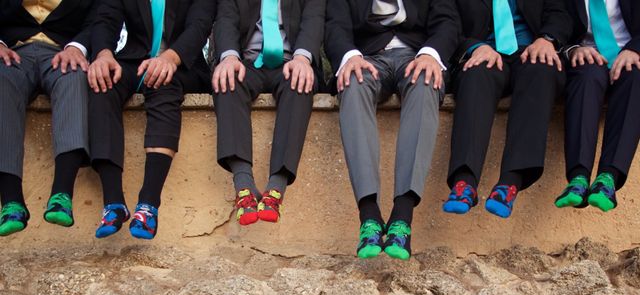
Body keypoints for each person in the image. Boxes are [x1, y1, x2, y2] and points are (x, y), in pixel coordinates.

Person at [324, 0, 459, 260]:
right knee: (352, 84)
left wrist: (431, 54)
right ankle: (369, 216)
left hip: (418, 54)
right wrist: (349, 56)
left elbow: (447, 20)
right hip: (367, 57)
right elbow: (335, 25)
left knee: (425, 82)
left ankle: (402, 217)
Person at [86, 0, 216, 239]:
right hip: (134, 59)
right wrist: (103, 54)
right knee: (102, 85)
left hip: (183, 64)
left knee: (163, 82)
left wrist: (169, 58)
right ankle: (113, 202)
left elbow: (200, 25)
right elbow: (106, 17)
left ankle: (148, 204)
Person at [442, 0, 571, 218]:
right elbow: (446, 23)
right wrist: (475, 47)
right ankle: (464, 182)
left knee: (541, 70)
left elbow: (560, 13)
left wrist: (547, 39)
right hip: (483, 53)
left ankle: (509, 183)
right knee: (475, 75)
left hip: (531, 50)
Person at [212, 0, 326, 225]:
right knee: (227, 79)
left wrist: (303, 58)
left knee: (300, 84)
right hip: (247, 61)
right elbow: (226, 19)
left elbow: (314, 19)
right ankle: (243, 185)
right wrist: (229, 57)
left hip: (291, 60)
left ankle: (275, 189)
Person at [0, 0, 97, 236]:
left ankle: (62, 195)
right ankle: (11, 202)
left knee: (74, 77)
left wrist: (78, 47)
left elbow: (102, 15)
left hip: (63, 51)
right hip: (11, 52)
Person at [555, 0, 639, 212]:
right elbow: (552, 23)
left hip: (629, 52)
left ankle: (608, 178)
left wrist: (635, 49)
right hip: (587, 56)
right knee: (586, 76)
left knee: (636, 76)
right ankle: (578, 178)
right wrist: (573, 50)